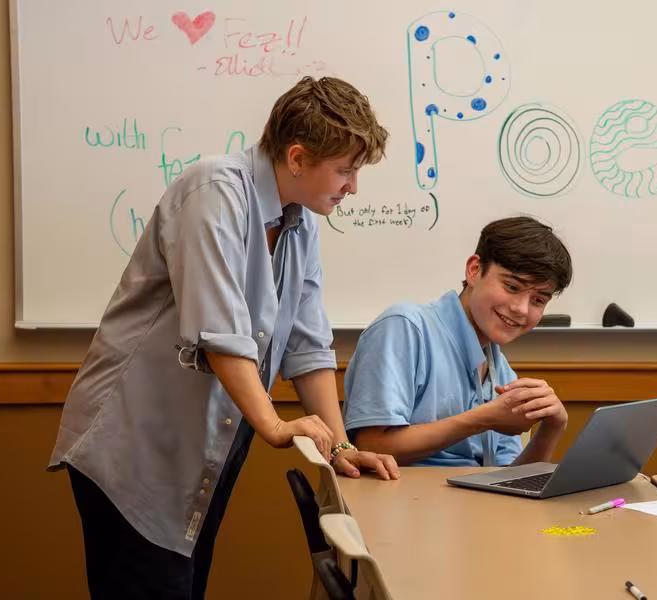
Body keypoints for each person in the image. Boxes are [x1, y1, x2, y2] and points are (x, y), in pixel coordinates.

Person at [48, 76, 400, 600]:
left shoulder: (300, 223)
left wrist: (341, 443)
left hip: (202, 449)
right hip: (137, 448)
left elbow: (307, 344)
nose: (353, 187)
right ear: (299, 157)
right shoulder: (213, 191)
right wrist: (276, 426)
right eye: (346, 170)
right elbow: (221, 334)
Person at [343, 216, 573, 467]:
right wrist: (484, 418)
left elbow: (508, 479)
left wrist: (553, 427)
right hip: (399, 501)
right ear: (474, 270)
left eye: (538, 300)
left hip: (472, 503)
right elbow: (371, 446)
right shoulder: (406, 328)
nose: (521, 308)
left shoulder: (502, 370)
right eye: (511, 286)